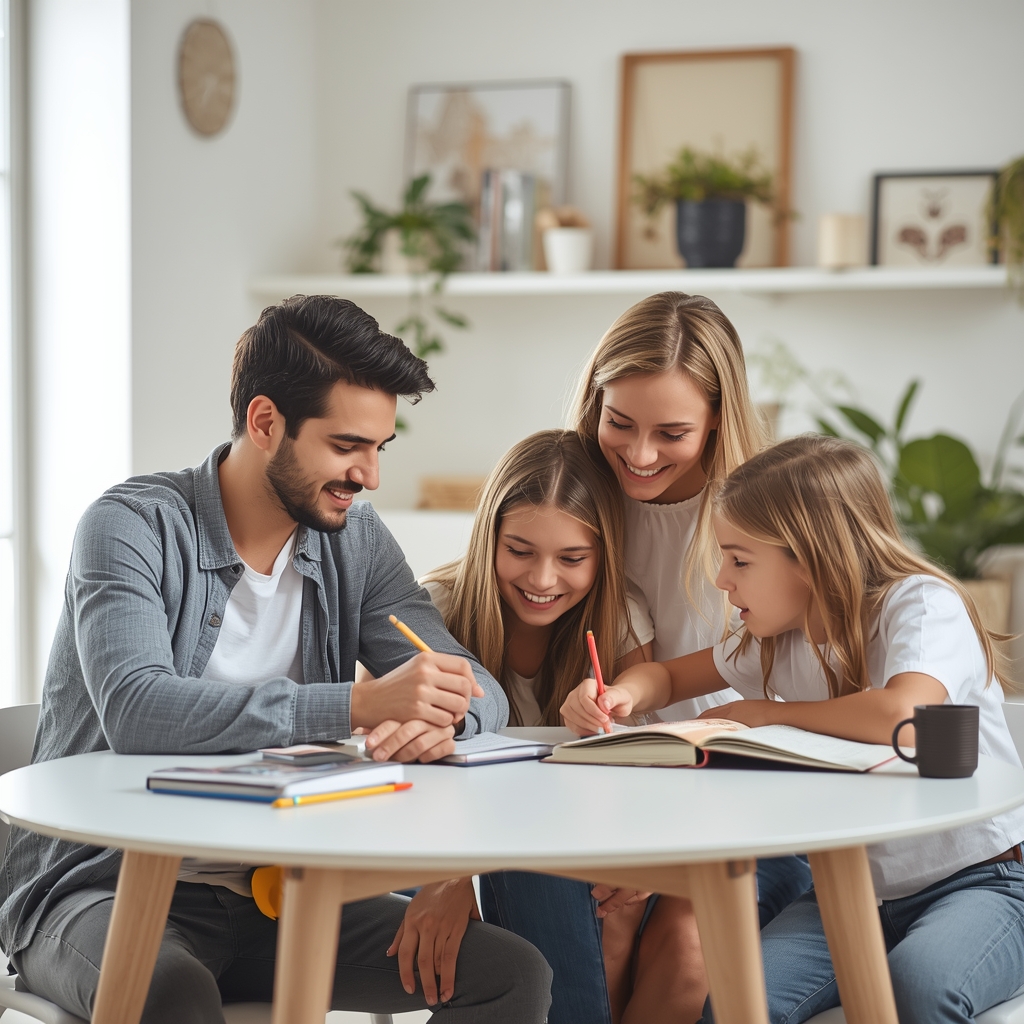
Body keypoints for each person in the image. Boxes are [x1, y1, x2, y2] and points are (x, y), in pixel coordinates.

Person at [0, 295, 551, 1024]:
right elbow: (138, 708)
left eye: (380, 448)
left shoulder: (351, 536)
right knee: (174, 995)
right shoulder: (129, 525)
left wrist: (448, 717)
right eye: (348, 445)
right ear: (265, 422)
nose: (369, 475)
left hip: (277, 890)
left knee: (510, 973)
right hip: (102, 888)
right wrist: (361, 705)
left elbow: (475, 685)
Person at [562, 434, 1024, 1024]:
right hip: (851, 891)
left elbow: (905, 717)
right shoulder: (784, 639)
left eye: (740, 559)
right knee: (734, 1005)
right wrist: (620, 693)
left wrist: (774, 713)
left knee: (920, 987)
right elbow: (668, 678)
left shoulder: (922, 607)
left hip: (985, 881)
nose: (723, 580)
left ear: (810, 557)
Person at [477, 292, 808, 1023]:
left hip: (744, 806)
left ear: (718, 418)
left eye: (673, 432)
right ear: (594, 402)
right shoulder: (582, 501)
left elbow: (778, 707)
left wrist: (663, 847)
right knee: (606, 920)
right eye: (620, 423)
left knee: (686, 948)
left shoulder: (755, 523)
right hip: (614, 796)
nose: (641, 454)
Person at [380, 429, 655, 1016]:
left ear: (603, 554)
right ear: (489, 540)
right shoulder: (439, 610)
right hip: (445, 843)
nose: (543, 579)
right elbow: (409, 779)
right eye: (521, 551)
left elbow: (642, 765)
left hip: (582, 844)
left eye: (572, 558)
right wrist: (454, 877)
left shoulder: (621, 615)